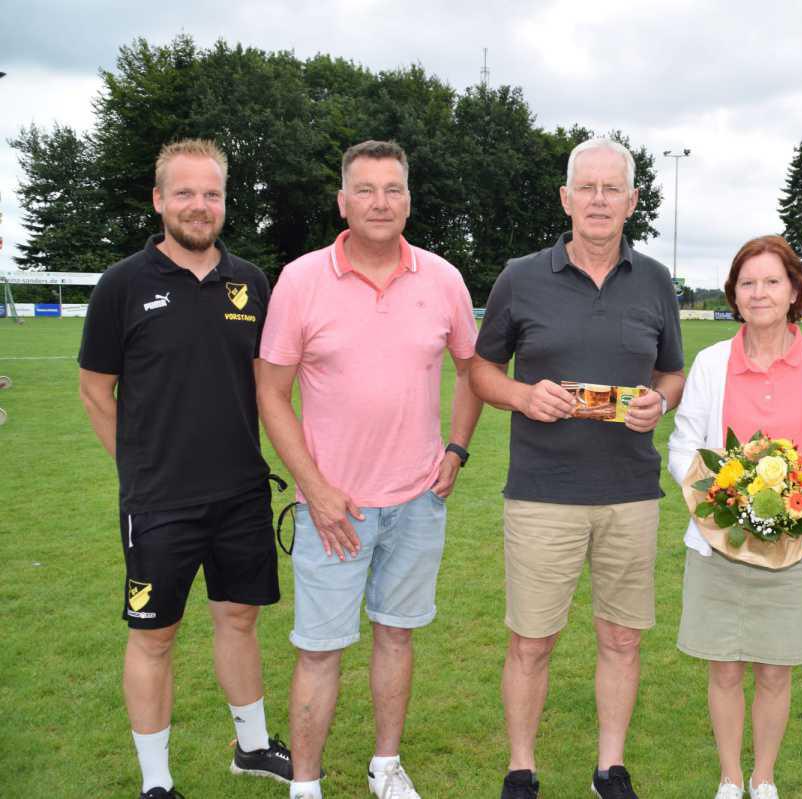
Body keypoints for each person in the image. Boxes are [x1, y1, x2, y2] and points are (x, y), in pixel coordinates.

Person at [256, 140, 482, 799]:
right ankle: (305, 783)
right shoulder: (301, 280)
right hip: (333, 509)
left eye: (393, 189)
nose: (380, 202)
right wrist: (316, 490)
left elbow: (473, 371)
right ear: (343, 201)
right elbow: (271, 392)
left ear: (409, 199)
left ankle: (386, 766)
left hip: (418, 500)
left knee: (396, 637)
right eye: (366, 189)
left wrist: (457, 448)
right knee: (319, 649)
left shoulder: (442, 278)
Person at [78, 139, 295, 799]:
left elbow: (267, 390)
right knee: (154, 637)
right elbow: (95, 390)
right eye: (185, 193)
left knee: (238, 619)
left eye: (211, 194)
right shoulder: (123, 284)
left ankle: (252, 745)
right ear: (159, 199)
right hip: (160, 503)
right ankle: (156, 782)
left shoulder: (251, 281)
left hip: (240, 495)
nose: (199, 206)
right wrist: (141, 471)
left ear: (224, 202)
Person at [470, 137, 685, 799]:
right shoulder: (521, 275)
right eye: (585, 187)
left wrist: (660, 401)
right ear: (565, 198)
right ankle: (522, 767)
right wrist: (522, 395)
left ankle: (609, 767)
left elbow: (671, 372)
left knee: (621, 636)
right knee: (531, 639)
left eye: (610, 188)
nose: (597, 199)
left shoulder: (654, 280)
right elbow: (481, 368)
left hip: (629, 492)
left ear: (632, 201)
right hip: (542, 493)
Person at [667, 236, 802, 799]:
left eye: (772, 281)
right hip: (718, 541)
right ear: (734, 294)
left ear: (794, 290)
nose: (759, 293)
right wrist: (727, 500)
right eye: (748, 283)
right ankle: (729, 777)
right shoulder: (710, 363)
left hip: (794, 544)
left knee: (775, 668)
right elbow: (684, 447)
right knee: (723, 665)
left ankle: (764, 777)